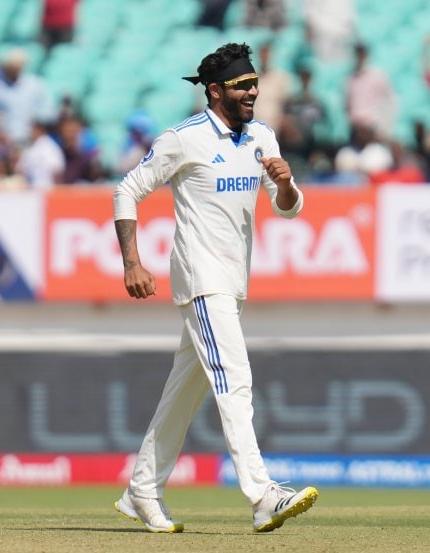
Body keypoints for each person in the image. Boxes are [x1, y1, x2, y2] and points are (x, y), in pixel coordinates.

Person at [112, 42, 318, 534]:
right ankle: (262, 494)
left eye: (255, 84)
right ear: (216, 90)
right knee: (235, 379)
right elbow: (127, 190)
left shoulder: (262, 137)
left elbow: (288, 207)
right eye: (243, 86)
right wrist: (133, 263)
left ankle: (141, 489)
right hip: (201, 278)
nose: (253, 92)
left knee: (184, 393)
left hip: (233, 279)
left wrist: (286, 183)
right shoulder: (184, 139)